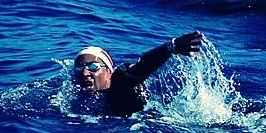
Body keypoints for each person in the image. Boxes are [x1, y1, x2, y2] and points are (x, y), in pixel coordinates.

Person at [73, 31, 203, 117]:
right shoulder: (77, 95)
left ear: (108, 71)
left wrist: (169, 47)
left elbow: (141, 67)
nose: (85, 73)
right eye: (79, 68)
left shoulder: (120, 80)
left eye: (93, 67)